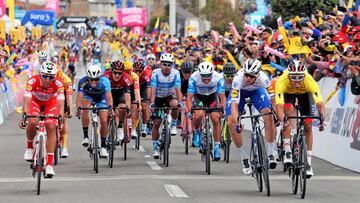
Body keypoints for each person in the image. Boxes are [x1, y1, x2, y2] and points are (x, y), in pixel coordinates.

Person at [275, 60, 326, 178]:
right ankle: (287, 150)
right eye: (294, 77)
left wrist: (322, 120)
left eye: (300, 77)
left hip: (305, 95)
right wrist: (283, 120)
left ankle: (308, 163)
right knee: (287, 114)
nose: (297, 80)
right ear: (289, 75)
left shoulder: (309, 80)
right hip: (289, 95)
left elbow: (320, 104)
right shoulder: (282, 80)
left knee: (308, 126)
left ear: (304, 75)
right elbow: (279, 106)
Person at [228, 58, 277, 174]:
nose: (248, 78)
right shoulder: (238, 79)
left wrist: (276, 115)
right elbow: (234, 105)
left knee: (269, 115)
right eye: (246, 75)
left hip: (256, 91)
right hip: (241, 92)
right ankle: (244, 158)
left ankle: (271, 153)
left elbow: (273, 100)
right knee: (231, 122)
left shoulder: (264, 78)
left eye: (251, 76)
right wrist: (238, 122)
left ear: (257, 74)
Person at [20, 61, 65, 178]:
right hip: (35, 101)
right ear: (40, 74)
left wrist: (60, 117)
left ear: (55, 77)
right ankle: (29, 147)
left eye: (51, 77)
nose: (47, 79)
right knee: (33, 121)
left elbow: (60, 102)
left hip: (51, 103)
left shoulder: (59, 84)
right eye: (44, 76)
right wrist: (24, 115)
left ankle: (49, 164)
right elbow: (27, 99)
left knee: (51, 125)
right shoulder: (32, 81)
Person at [186, 61, 226, 161]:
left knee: (216, 119)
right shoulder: (194, 77)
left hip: (212, 98)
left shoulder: (218, 77)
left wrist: (223, 109)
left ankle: (216, 147)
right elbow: (189, 97)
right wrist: (191, 110)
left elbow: (222, 97)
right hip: (199, 98)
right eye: (203, 76)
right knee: (198, 115)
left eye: (208, 76)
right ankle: (196, 132)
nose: (206, 79)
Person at [149, 53, 183, 159]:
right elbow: (153, 90)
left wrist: (180, 102)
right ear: (160, 64)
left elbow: (178, 89)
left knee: (175, 104)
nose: (166, 67)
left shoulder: (176, 73)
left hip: (169, 96)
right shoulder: (155, 73)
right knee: (157, 123)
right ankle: (155, 147)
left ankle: (173, 124)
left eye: (169, 65)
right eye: (164, 64)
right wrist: (152, 103)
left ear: (172, 65)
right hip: (158, 98)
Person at [76, 64, 113, 158]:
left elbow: (109, 96)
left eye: (96, 79)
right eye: (91, 79)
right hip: (88, 96)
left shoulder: (105, 81)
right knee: (85, 108)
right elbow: (79, 96)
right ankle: (86, 137)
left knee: (104, 120)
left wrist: (110, 108)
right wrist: (78, 108)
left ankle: (103, 146)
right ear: (88, 78)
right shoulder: (83, 81)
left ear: (100, 78)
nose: (93, 82)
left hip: (101, 98)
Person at [104, 60, 131, 142]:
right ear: (111, 71)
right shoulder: (106, 77)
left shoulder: (126, 78)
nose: (117, 75)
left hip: (120, 94)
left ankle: (120, 126)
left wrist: (128, 108)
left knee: (123, 108)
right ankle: (106, 133)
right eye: (115, 73)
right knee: (107, 114)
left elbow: (127, 95)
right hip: (109, 94)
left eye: (119, 73)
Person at [56, 68, 73, 158]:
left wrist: (69, 110)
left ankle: (64, 146)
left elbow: (69, 96)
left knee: (63, 120)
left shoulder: (66, 80)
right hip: (52, 95)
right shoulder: (48, 78)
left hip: (64, 96)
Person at [132, 60, 152, 137]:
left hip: (143, 88)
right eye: (136, 70)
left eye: (139, 71)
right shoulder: (131, 75)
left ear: (142, 71)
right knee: (132, 105)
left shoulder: (146, 75)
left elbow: (148, 88)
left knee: (144, 106)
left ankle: (144, 126)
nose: (137, 73)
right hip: (134, 88)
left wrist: (147, 99)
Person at [124, 60, 142, 139]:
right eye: (125, 71)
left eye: (128, 71)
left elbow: (137, 91)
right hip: (123, 90)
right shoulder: (121, 76)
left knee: (137, 108)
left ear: (131, 70)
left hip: (132, 89)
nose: (127, 73)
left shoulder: (135, 76)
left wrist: (139, 104)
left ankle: (133, 129)